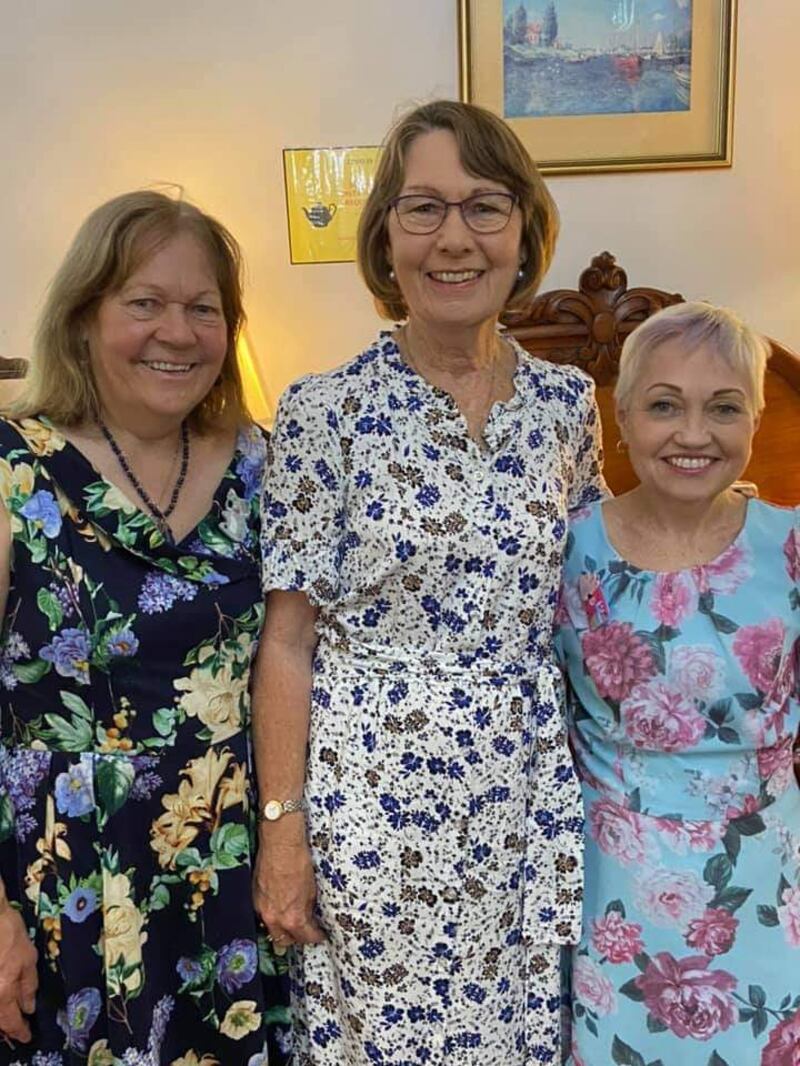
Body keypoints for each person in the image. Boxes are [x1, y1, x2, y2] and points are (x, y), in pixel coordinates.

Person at [255, 99, 605, 1065]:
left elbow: (597, 592)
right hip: (376, 816)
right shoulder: (324, 411)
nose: (455, 238)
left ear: (525, 231)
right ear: (385, 239)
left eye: (485, 206)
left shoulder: (568, 405)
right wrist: (282, 839)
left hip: (531, 797)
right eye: (423, 209)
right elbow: (286, 640)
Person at [0, 191, 290, 1063]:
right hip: (62, 891)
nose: (178, 331)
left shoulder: (263, 464)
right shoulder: (15, 472)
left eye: (204, 308)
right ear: (85, 317)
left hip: (232, 883)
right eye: (145, 302)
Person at [557, 302, 800, 1064]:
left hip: (765, 892)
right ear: (622, 418)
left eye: (723, 408)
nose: (693, 434)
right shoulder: (565, 550)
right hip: (614, 897)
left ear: (756, 421)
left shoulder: (792, 546)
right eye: (665, 405)